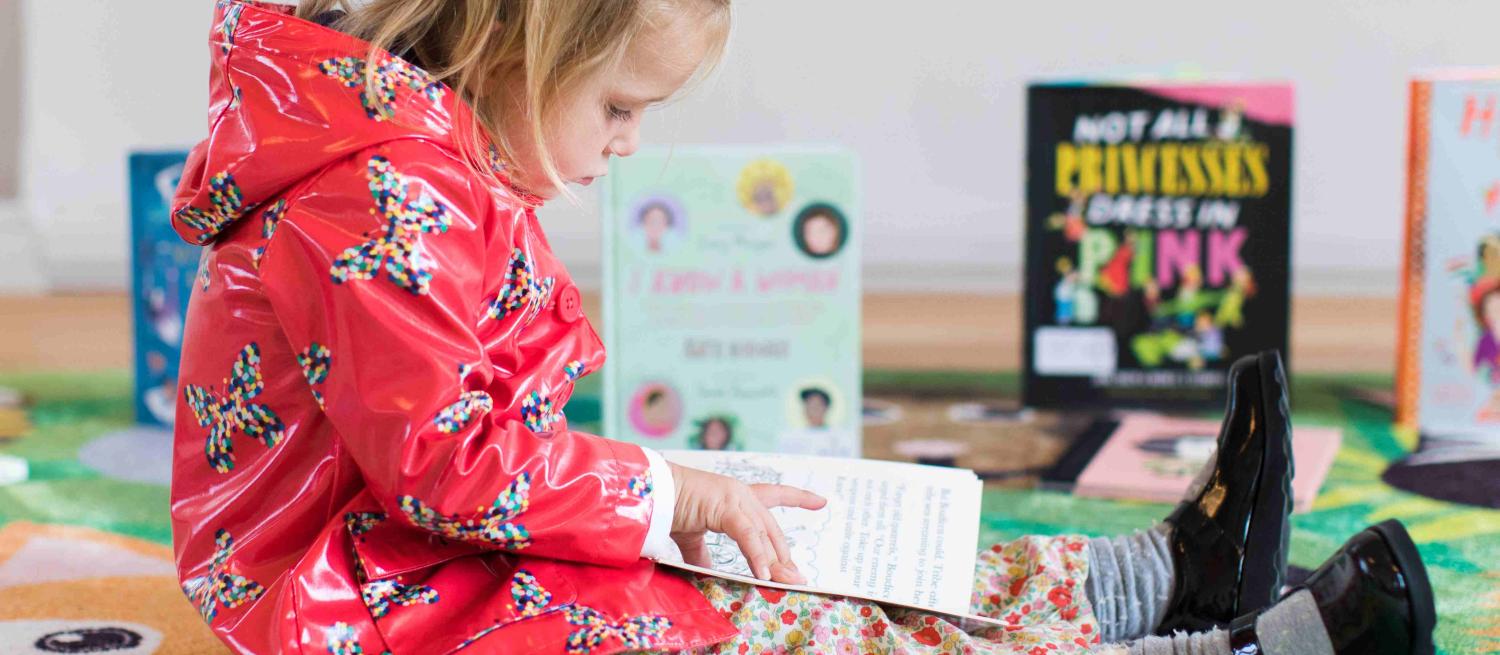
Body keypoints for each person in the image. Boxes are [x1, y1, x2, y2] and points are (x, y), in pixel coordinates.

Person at [169, 3, 1435, 654]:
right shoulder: (376, 194)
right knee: (788, 626)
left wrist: (661, 495)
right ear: (517, 41)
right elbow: (455, 464)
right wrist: (666, 491)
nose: (629, 141)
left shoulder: (403, 156)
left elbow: (461, 452)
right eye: (618, 104)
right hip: (354, 599)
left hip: (415, 550)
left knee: (792, 556)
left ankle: (1155, 580)